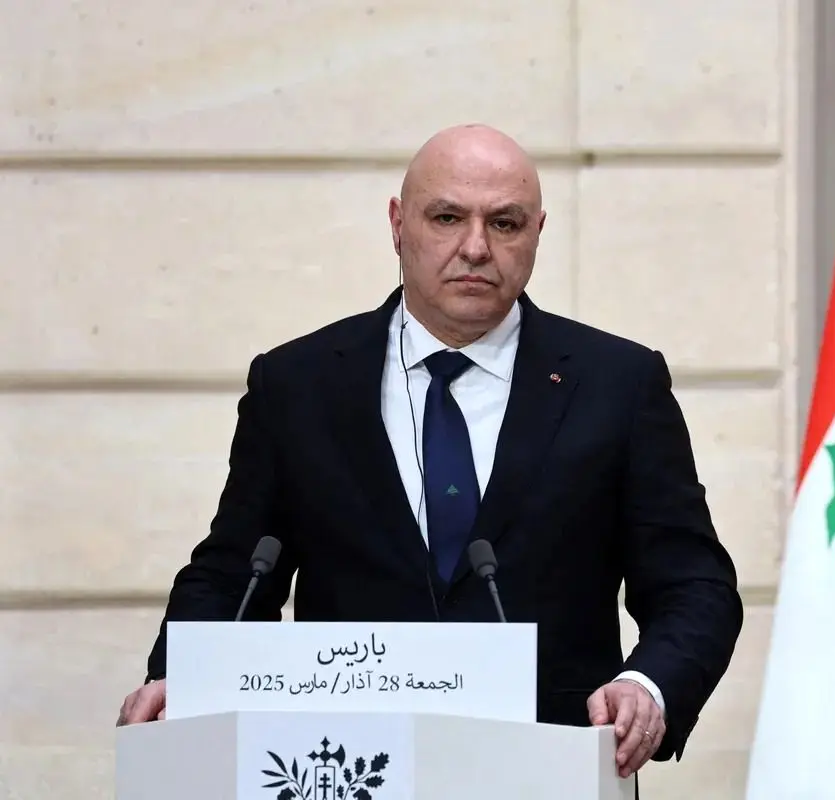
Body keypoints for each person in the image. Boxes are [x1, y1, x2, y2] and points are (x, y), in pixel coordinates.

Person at [116, 123, 744, 781]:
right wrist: (182, 678)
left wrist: (648, 686)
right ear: (398, 225)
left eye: (505, 223)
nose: (475, 247)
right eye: (447, 217)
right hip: (345, 768)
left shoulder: (617, 383)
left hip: (550, 765)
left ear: (537, 232)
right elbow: (235, 573)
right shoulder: (299, 384)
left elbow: (692, 584)